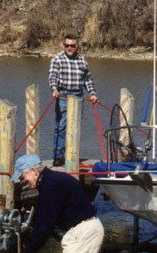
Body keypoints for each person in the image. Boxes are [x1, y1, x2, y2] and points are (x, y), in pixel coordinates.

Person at [49, 34, 98, 167]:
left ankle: (72, 155)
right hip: (63, 95)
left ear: (77, 47)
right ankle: (58, 156)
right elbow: (52, 76)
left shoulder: (82, 61)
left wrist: (92, 94)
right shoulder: (57, 60)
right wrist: (54, 89)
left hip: (78, 95)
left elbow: (88, 80)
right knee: (61, 126)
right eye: (67, 46)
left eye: (72, 46)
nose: (69, 48)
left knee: (75, 126)